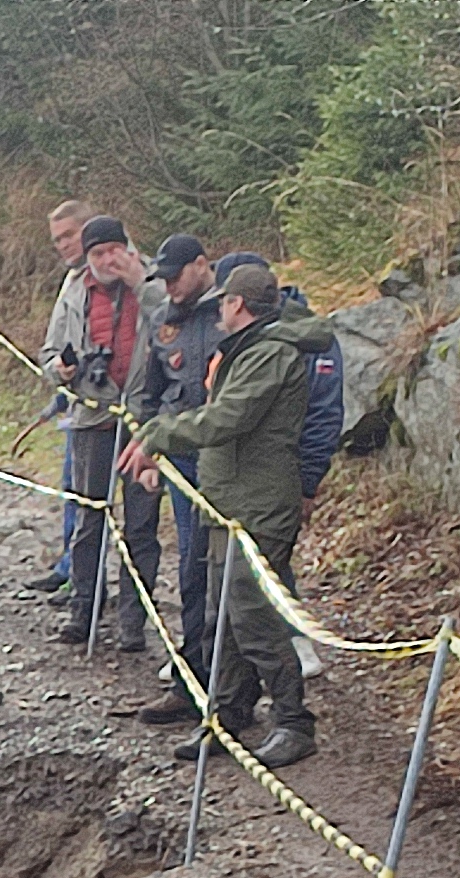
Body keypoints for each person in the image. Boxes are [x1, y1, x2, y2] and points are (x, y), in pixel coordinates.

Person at [123, 254, 337, 765]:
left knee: (253, 616)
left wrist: (158, 434)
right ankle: (228, 714)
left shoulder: (270, 353)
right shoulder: (252, 347)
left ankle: (293, 721)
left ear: (237, 304)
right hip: (230, 503)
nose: (218, 311)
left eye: (224, 302)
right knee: (225, 617)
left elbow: (229, 417)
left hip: (260, 505)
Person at [115, 234, 218, 724]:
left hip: (232, 463)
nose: (172, 288)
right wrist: (149, 451)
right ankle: (192, 685)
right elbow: (150, 396)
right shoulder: (163, 320)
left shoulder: (233, 317)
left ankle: (237, 691)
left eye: (177, 277)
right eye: (165, 279)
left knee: (232, 581)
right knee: (193, 574)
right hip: (184, 463)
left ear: (203, 266)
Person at [46, 216, 152, 646]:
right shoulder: (73, 292)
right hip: (92, 416)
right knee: (90, 518)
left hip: (145, 421)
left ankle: (133, 624)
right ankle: (83, 611)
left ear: (128, 247)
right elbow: (49, 352)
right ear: (88, 259)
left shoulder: (153, 282)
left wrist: (142, 283)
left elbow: (174, 327)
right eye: (98, 254)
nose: (109, 260)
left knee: (141, 527)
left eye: (114, 250)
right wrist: (59, 369)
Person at [21, 199, 92, 596]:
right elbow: (51, 348)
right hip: (76, 403)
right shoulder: (70, 281)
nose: (63, 245)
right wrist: (58, 371)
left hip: (121, 408)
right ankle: (71, 570)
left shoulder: (132, 274)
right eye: (57, 240)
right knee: (72, 488)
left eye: (69, 236)